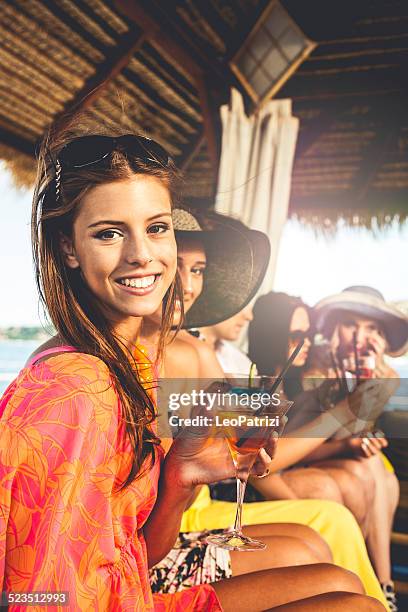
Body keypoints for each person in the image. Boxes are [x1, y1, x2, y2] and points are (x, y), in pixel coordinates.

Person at [0, 127, 380, 611]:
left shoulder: (129, 364)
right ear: (68, 248)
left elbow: (135, 550)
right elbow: (32, 595)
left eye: (156, 228)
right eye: (109, 233)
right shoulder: (73, 392)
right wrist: (344, 414)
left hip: (131, 586)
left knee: (338, 576)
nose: (142, 254)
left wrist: (180, 476)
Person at [144, 211, 389, 608]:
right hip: (174, 525)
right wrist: (341, 415)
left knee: (350, 497)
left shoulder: (200, 355)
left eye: (199, 270)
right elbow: (237, 456)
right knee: (326, 522)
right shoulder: (152, 361)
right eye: (178, 266)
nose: (187, 285)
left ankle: (381, 591)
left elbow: (243, 448)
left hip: (192, 506)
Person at [248, 290, 403, 610]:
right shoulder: (297, 375)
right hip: (280, 470)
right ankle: (358, 585)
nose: (361, 336)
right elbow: (262, 460)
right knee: (351, 477)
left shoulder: (370, 375)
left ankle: (369, 584)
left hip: (307, 460)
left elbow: (342, 433)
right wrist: (345, 426)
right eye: (351, 324)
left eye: (373, 328)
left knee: (370, 470)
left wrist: (366, 396)